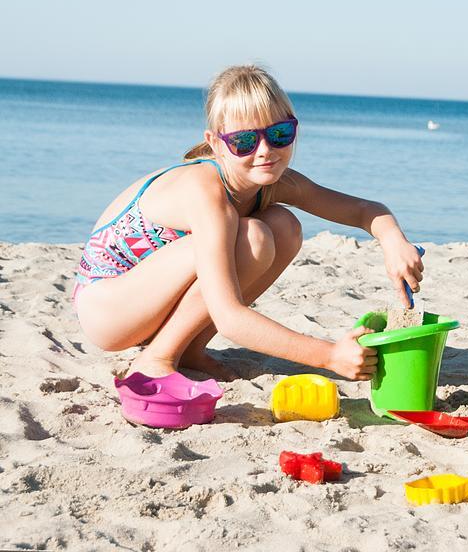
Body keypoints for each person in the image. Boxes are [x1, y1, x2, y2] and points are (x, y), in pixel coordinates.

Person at [73, 64, 423, 383]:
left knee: (284, 225)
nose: (265, 150)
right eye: (244, 141)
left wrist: (392, 240)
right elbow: (230, 318)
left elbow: (363, 210)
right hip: (108, 307)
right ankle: (157, 357)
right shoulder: (205, 191)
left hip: (152, 300)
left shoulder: (274, 183)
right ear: (216, 144)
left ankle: (190, 349)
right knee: (252, 236)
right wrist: (329, 355)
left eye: (280, 134)